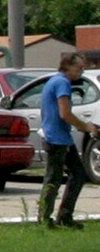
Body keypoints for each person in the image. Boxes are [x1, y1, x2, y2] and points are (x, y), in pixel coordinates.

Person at [38, 52, 99, 229]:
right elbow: (65, 114)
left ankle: (64, 217)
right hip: (56, 139)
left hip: (61, 137)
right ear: (67, 66)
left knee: (78, 175)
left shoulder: (56, 81)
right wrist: (86, 127)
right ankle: (45, 219)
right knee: (53, 180)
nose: (81, 71)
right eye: (78, 68)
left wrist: (84, 126)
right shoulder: (62, 83)